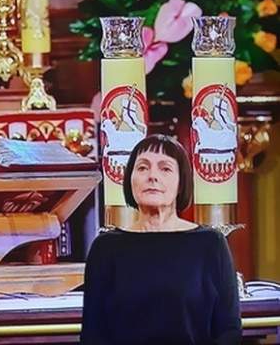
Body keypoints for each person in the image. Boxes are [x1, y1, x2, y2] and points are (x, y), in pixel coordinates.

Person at [81, 134, 241, 344]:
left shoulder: (210, 244)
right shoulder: (105, 248)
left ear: (181, 182)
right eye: (142, 168)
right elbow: (92, 334)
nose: (152, 176)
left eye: (165, 168)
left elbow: (229, 330)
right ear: (130, 180)